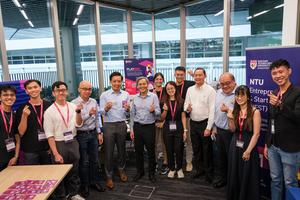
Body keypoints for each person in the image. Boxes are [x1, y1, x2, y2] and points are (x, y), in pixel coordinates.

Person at [264, 59, 300, 200]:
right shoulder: (274, 93)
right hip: (273, 146)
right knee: (275, 180)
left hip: (290, 148)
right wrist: (268, 143)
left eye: (281, 71)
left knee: (290, 182)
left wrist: (280, 105)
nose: (278, 75)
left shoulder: (297, 92)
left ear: (289, 71)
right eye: (274, 73)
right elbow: (271, 120)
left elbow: (298, 117)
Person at [44, 81, 84, 200]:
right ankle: (61, 196)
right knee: (59, 172)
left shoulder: (73, 106)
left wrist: (78, 113)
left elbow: (79, 123)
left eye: (63, 90)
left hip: (73, 141)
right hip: (59, 143)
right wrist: (55, 153)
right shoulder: (49, 111)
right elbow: (49, 135)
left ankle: (74, 193)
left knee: (74, 169)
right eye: (58, 90)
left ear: (66, 91)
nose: (61, 92)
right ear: (53, 93)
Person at [227, 85, 261, 200]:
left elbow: (256, 134)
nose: (239, 98)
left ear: (248, 97)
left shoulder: (255, 112)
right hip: (235, 144)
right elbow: (232, 130)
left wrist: (248, 151)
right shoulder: (235, 111)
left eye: (242, 95)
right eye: (237, 95)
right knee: (235, 171)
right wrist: (230, 118)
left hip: (248, 144)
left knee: (247, 173)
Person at [72, 80, 105, 197]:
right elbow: (77, 123)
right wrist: (88, 115)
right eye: (84, 89)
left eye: (89, 89)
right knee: (84, 162)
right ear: (79, 89)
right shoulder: (74, 104)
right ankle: (85, 185)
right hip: (81, 136)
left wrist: (99, 132)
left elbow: (97, 118)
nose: (87, 91)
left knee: (95, 160)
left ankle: (94, 181)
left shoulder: (94, 101)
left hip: (93, 134)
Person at [184, 67, 216, 183]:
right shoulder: (190, 89)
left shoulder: (210, 90)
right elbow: (186, 104)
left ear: (205, 76)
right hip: (193, 123)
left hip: (205, 123)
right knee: (196, 148)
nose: (197, 77)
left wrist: (208, 127)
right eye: (196, 75)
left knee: (207, 150)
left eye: (200, 75)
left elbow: (213, 110)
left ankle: (208, 173)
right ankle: (199, 170)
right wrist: (187, 109)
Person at [99, 72, 130, 189]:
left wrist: (128, 109)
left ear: (121, 82)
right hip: (108, 125)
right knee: (108, 152)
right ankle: (109, 176)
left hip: (122, 124)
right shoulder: (104, 95)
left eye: (119, 81)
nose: (117, 83)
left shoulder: (126, 94)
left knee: (122, 150)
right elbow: (100, 112)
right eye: (114, 81)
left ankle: (121, 170)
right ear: (110, 82)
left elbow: (127, 113)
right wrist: (106, 108)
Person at [130, 77, 161, 183]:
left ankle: (151, 173)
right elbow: (132, 115)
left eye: (144, 84)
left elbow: (158, 113)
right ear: (137, 86)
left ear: (147, 85)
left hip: (149, 127)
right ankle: (140, 171)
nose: (142, 86)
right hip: (137, 127)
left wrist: (154, 111)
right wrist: (132, 130)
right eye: (140, 84)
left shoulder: (153, 97)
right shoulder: (134, 98)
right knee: (138, 151)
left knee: (151, 151)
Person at [16, 79, 52, 165]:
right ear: (26, 91)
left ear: (40, 88)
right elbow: (20, 132)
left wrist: (52, 147)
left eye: (35, 87)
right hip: (30, 150)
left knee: (48, 175)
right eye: (30, 88)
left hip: (47, 148)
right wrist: (24, 116)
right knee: (33, 176)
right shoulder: (22, 108)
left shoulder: (49, 106)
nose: (33, 90)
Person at [212, 73, 236, 188]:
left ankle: (232, 181)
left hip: (232, 133)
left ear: (234, 82)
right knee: (219, 157)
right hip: (219, 131)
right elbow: (215, 112)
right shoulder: (217, 93)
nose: (225, 86)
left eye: (227, 83)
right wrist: (214, 127)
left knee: (231, 158)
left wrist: (228, 111)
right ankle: (222, 178)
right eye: (222, 84)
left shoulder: (239, 95)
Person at [161, 81, 187, 178]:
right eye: (168, 89)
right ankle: (171, 168)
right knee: (169, 149)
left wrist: (185, 130)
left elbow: (183, 116)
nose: (170, 90)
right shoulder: (163, 101)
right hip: (167, 127)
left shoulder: (181, 101)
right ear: (166, 90)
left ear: (175, 89)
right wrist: (165, 110)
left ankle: (179, 168)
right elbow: (162, 118)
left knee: (178, 148)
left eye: (172, 88)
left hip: (179, 127)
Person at [174, 66, 194, 172]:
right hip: (176, 119)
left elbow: (204, 84)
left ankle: (189, 161)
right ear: (174, 74)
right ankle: (178, 161)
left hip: (187, 117)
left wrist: (193, 75)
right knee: (177, 141)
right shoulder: (172, 86)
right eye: (178, 74)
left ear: (184, 75)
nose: (179, 76)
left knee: (188, 140)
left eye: (181, 74)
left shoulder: (190, 84)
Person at [0, 85, 20, 171]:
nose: (9, 97)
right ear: (0, 98)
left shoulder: (15, 115)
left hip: (12, 158)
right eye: (5, 95)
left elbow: (17, 137)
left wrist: (16, 156)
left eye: (12, 95)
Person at [153, 72, 168, 175]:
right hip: (152, 123)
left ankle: (165, 163)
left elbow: (170, 109)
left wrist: (164, 122)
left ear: (163, 80)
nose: (159, 80)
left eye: (160, 79)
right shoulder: (149, 93)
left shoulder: (167, 92)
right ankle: (154, 163)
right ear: (154, 80)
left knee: (165, 143)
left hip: (164, 122)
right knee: (153, 143)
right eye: (157, 79)